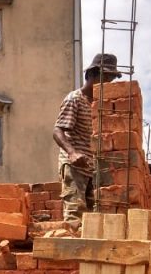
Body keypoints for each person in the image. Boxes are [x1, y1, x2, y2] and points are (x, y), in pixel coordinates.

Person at [52, 52, 122, 225]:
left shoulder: (101, 105)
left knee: (93, 219)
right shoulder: (74, 99)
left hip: (93, 168)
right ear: (91, 75)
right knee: (76, 212)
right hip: (74, 166)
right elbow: (57, 130)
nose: (108, 83)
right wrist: (72, 153)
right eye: (105, 78)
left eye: (110, 79)